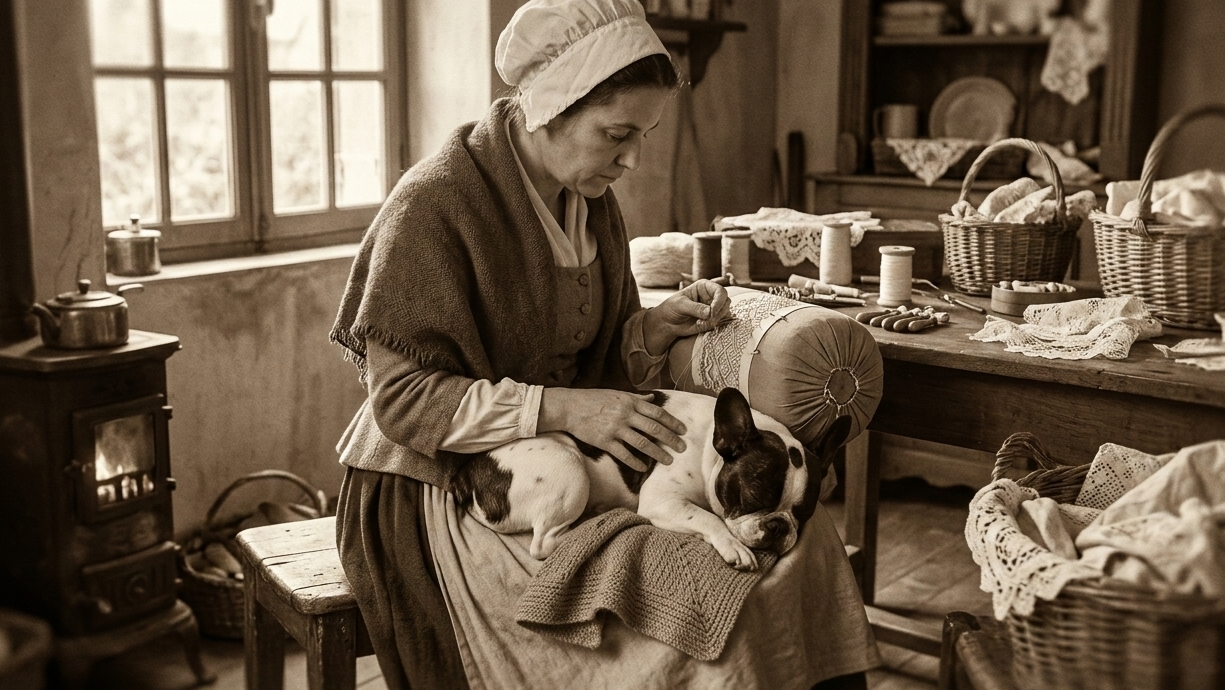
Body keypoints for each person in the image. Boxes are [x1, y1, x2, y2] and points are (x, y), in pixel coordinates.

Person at [330, 1, 878, 688]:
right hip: (442, 481)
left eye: (643, 135)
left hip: (567, 458)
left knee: (807, 544)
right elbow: (403, 402)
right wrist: (566, 411)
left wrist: (651, 328)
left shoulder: (587, 201)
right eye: (616, 134)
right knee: (708, 603)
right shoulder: (435, 206)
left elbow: (590, 362)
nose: (632, 159)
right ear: (549, 106)